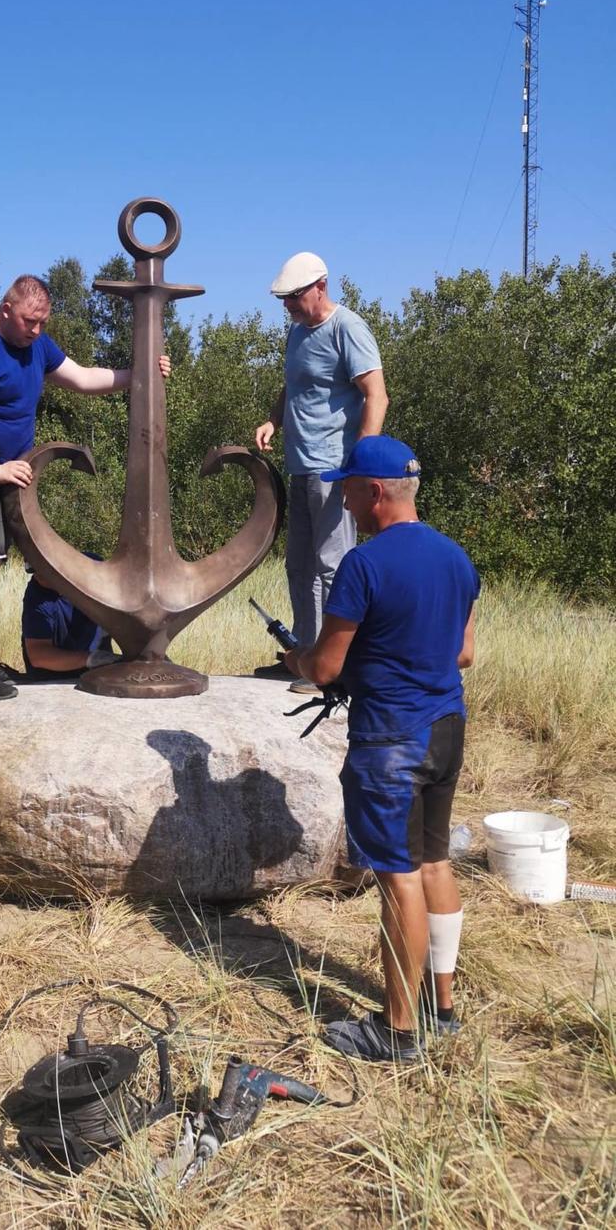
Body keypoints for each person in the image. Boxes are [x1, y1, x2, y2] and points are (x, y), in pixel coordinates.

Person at [283, 435, 479, 1063]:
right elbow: (463, 654)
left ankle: (396, 1033)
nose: (344, 499)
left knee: (399, 881)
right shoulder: (457, 559)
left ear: (375, 493)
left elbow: (324, 667)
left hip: (392, 742)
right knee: (434, 865)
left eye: (348, 490)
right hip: (447, 728)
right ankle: (440, 1007)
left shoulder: (363, 566)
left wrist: (300, 657)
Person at [0, 274, 170, 702]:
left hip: (14, 467)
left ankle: (1, 659)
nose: (37, 331)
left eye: (43, 322)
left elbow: (80, 379)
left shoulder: (36, 345)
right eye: (29, 322)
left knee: (24, 560)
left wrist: (140, 374)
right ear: (6, 310)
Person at [255, 253, 388, 692]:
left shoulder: (347, 328)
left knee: (333, 565)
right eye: (284, 299)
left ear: (321, 287)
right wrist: (274, 420)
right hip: (300, 464)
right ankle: (305, 659)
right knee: (300, 566)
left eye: (294, 297)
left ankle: (335, 668)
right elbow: (293, 384)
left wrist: (362, 461)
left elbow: (377, 396)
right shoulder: (297, 333)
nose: (288, 306)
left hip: (335, 468)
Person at [21, 558, 117, 681]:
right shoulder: (38, 600)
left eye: (48, 571)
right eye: (37, 572)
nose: (41, 578)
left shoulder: (92, 566)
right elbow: (38, 655)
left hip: (99, 670)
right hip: (53, 676)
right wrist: (91, 659)